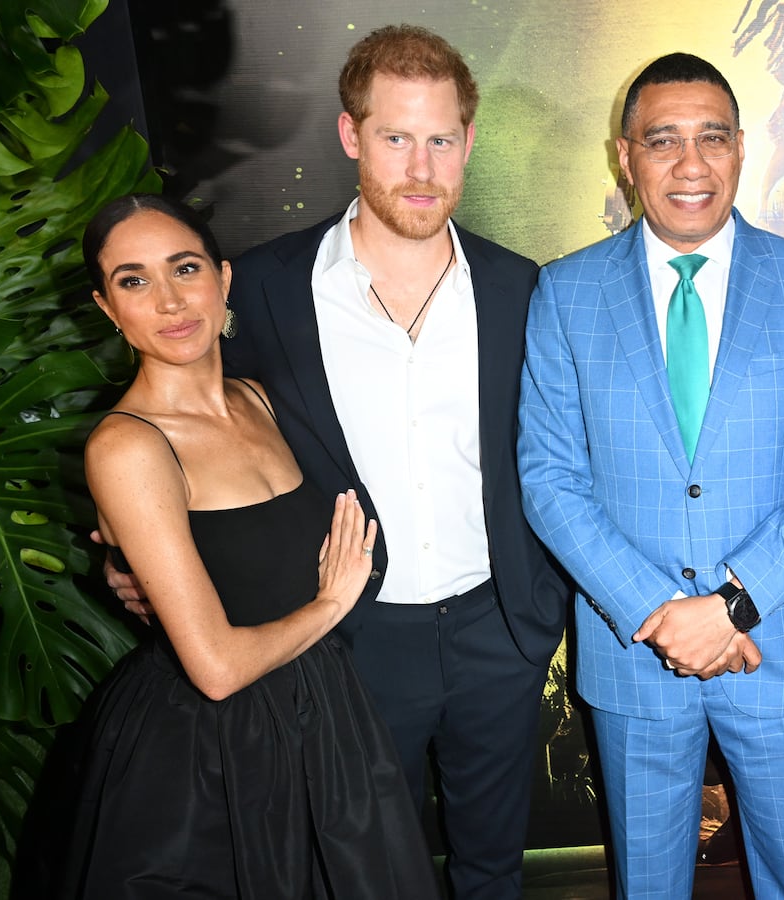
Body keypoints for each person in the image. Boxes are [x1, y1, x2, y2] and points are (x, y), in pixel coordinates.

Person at [105, 25, 568, 898]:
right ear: (352, 137)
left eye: (441, 139)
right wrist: (130, 555)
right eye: (396, 138)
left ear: (468, 141)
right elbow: (195, 435)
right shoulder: (268, 288)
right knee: (351, 872)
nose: (421, 168)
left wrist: (533, 618)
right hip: (351, 639)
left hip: (500, 631)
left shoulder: (521, 288)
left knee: (493, 869)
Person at [517, 52, 784, 899]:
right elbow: (549, 478)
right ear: (624, 155)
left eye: (712, 138)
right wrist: (654, 611)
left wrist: (729, 608)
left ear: (742, 148)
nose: (690, 165)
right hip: (631, 651)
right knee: (648, 884)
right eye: (663, 140)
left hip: (776, 647)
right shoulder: (565, 293)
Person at [61, 195, 439, 898]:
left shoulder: (258, 401)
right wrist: (331, 604)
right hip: (212, 757)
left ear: (223, 280)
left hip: (325, 725)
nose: (170, 300)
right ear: (107, 308)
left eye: (185, 268)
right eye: (133, 281)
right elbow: (215, 669)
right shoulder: (127, 446)